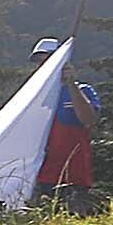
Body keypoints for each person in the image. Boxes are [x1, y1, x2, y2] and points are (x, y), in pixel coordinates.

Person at [32, 39, 100, 214]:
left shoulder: (82, 90)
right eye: (40, 62)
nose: (43, 65)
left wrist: (70, 84)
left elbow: (89, 119)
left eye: (48, 60)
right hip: (41, 179)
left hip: (75, 179)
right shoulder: (32, 97)